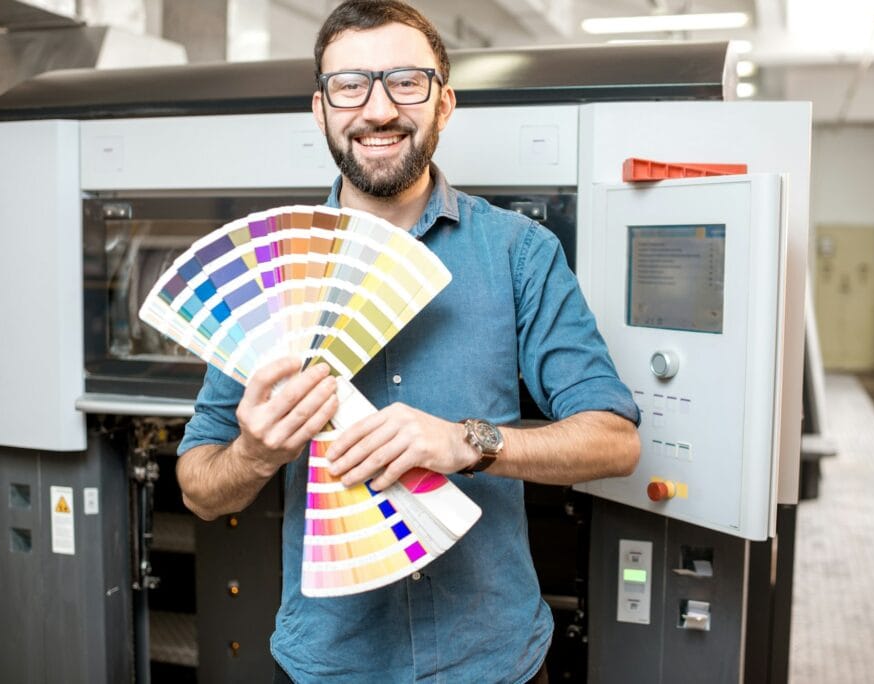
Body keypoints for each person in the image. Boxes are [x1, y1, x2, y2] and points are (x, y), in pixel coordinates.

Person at [176, 1, 641, 681]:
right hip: (331, 667)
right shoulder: (272, 271)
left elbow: (616, 442)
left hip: (494, 663)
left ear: (444, 103)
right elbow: (200, 489)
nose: (378, 110)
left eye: (406, 82)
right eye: (350, 86)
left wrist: (469, 442)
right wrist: (253, 452)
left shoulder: (518, 253)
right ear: (321, 109)